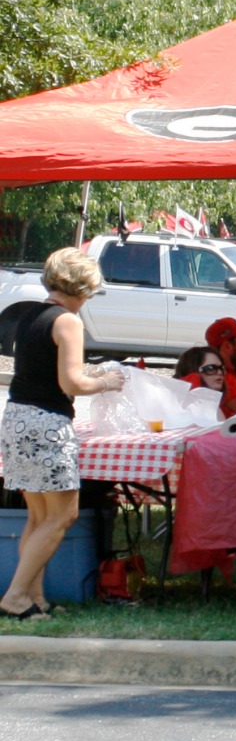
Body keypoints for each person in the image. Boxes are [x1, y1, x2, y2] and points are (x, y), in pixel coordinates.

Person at [0, 248, 127, 620]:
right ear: (83, 287)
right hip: (46, 423)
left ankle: (34, 596)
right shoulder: (68, 322)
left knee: (39, 517)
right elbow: (70, 381)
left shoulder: (31, 314)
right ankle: (16, 596)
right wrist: (106, 381)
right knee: (62, 516)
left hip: (17, 417)